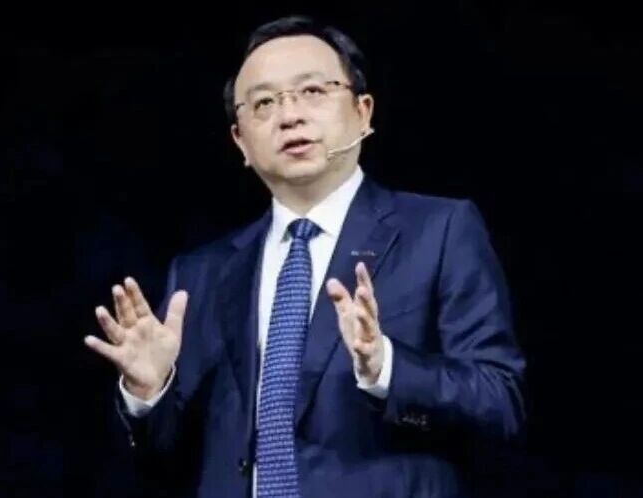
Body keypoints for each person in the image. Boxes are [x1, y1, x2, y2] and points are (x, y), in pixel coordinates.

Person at [84, 15, 527, 498]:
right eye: (264, 103)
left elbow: (500, 402)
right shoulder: (200, 273)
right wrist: (148, 393)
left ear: (363, 112)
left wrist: (386, 367)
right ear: (240, 141)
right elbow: (165, 462)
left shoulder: (440, 230)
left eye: (312, 91)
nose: (289, 116)